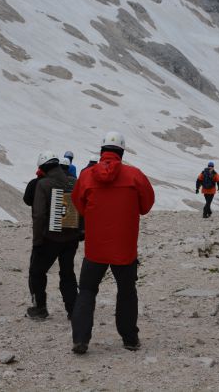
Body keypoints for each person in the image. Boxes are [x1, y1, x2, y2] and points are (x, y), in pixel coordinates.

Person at [70, 131, 155, 355]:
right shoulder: (135, 175)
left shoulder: (87, 176)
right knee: (126, 291)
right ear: (122, 152)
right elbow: (146, 206)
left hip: (95, 248)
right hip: (124, 248)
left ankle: (80, 339)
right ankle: (129, 339)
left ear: (102, 151)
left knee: (87, 291)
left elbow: (79, 205)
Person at [27, 150, 80, 320]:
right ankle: (74, 311)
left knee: (37, 272)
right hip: (72, 237)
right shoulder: (74, 182)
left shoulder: (43, 184)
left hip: (50, 238)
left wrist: (37, 241)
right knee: (67, 274)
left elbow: (39, 215)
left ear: (43, 167)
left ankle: (40, 308)